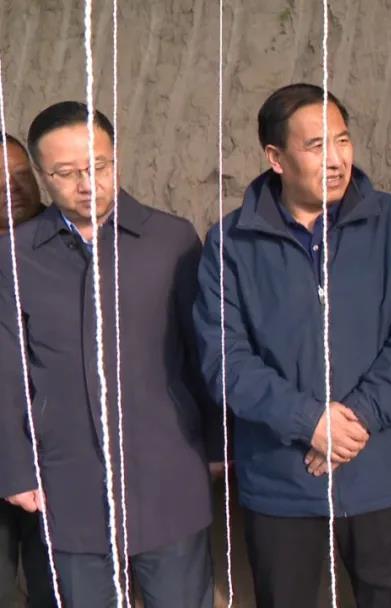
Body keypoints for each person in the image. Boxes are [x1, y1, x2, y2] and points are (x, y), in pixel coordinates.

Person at [193, 83, 391, 607]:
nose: (336, 159)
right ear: (276, 158)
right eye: (315, 146)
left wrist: (357, 418)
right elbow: (224, 358)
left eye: (343, 140)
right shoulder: (232, 241)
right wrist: (307, 421)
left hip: (380, 472)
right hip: (282, 479)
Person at [0, 102, 220, 607]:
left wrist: (215, 443)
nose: (87, 183)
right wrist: (16, 469)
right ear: (41, 176)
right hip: (66, 478)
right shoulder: (15, 256)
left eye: (98, 165)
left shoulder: (171, 239)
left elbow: (202, 350)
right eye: (66, 173)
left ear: (115, 158)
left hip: (169, 469)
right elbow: (6, 372)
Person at [0, 133, 53, 608]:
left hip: (54, 454)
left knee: (56, 587)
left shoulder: (66, 243)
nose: (12, 188)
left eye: (20, 175)